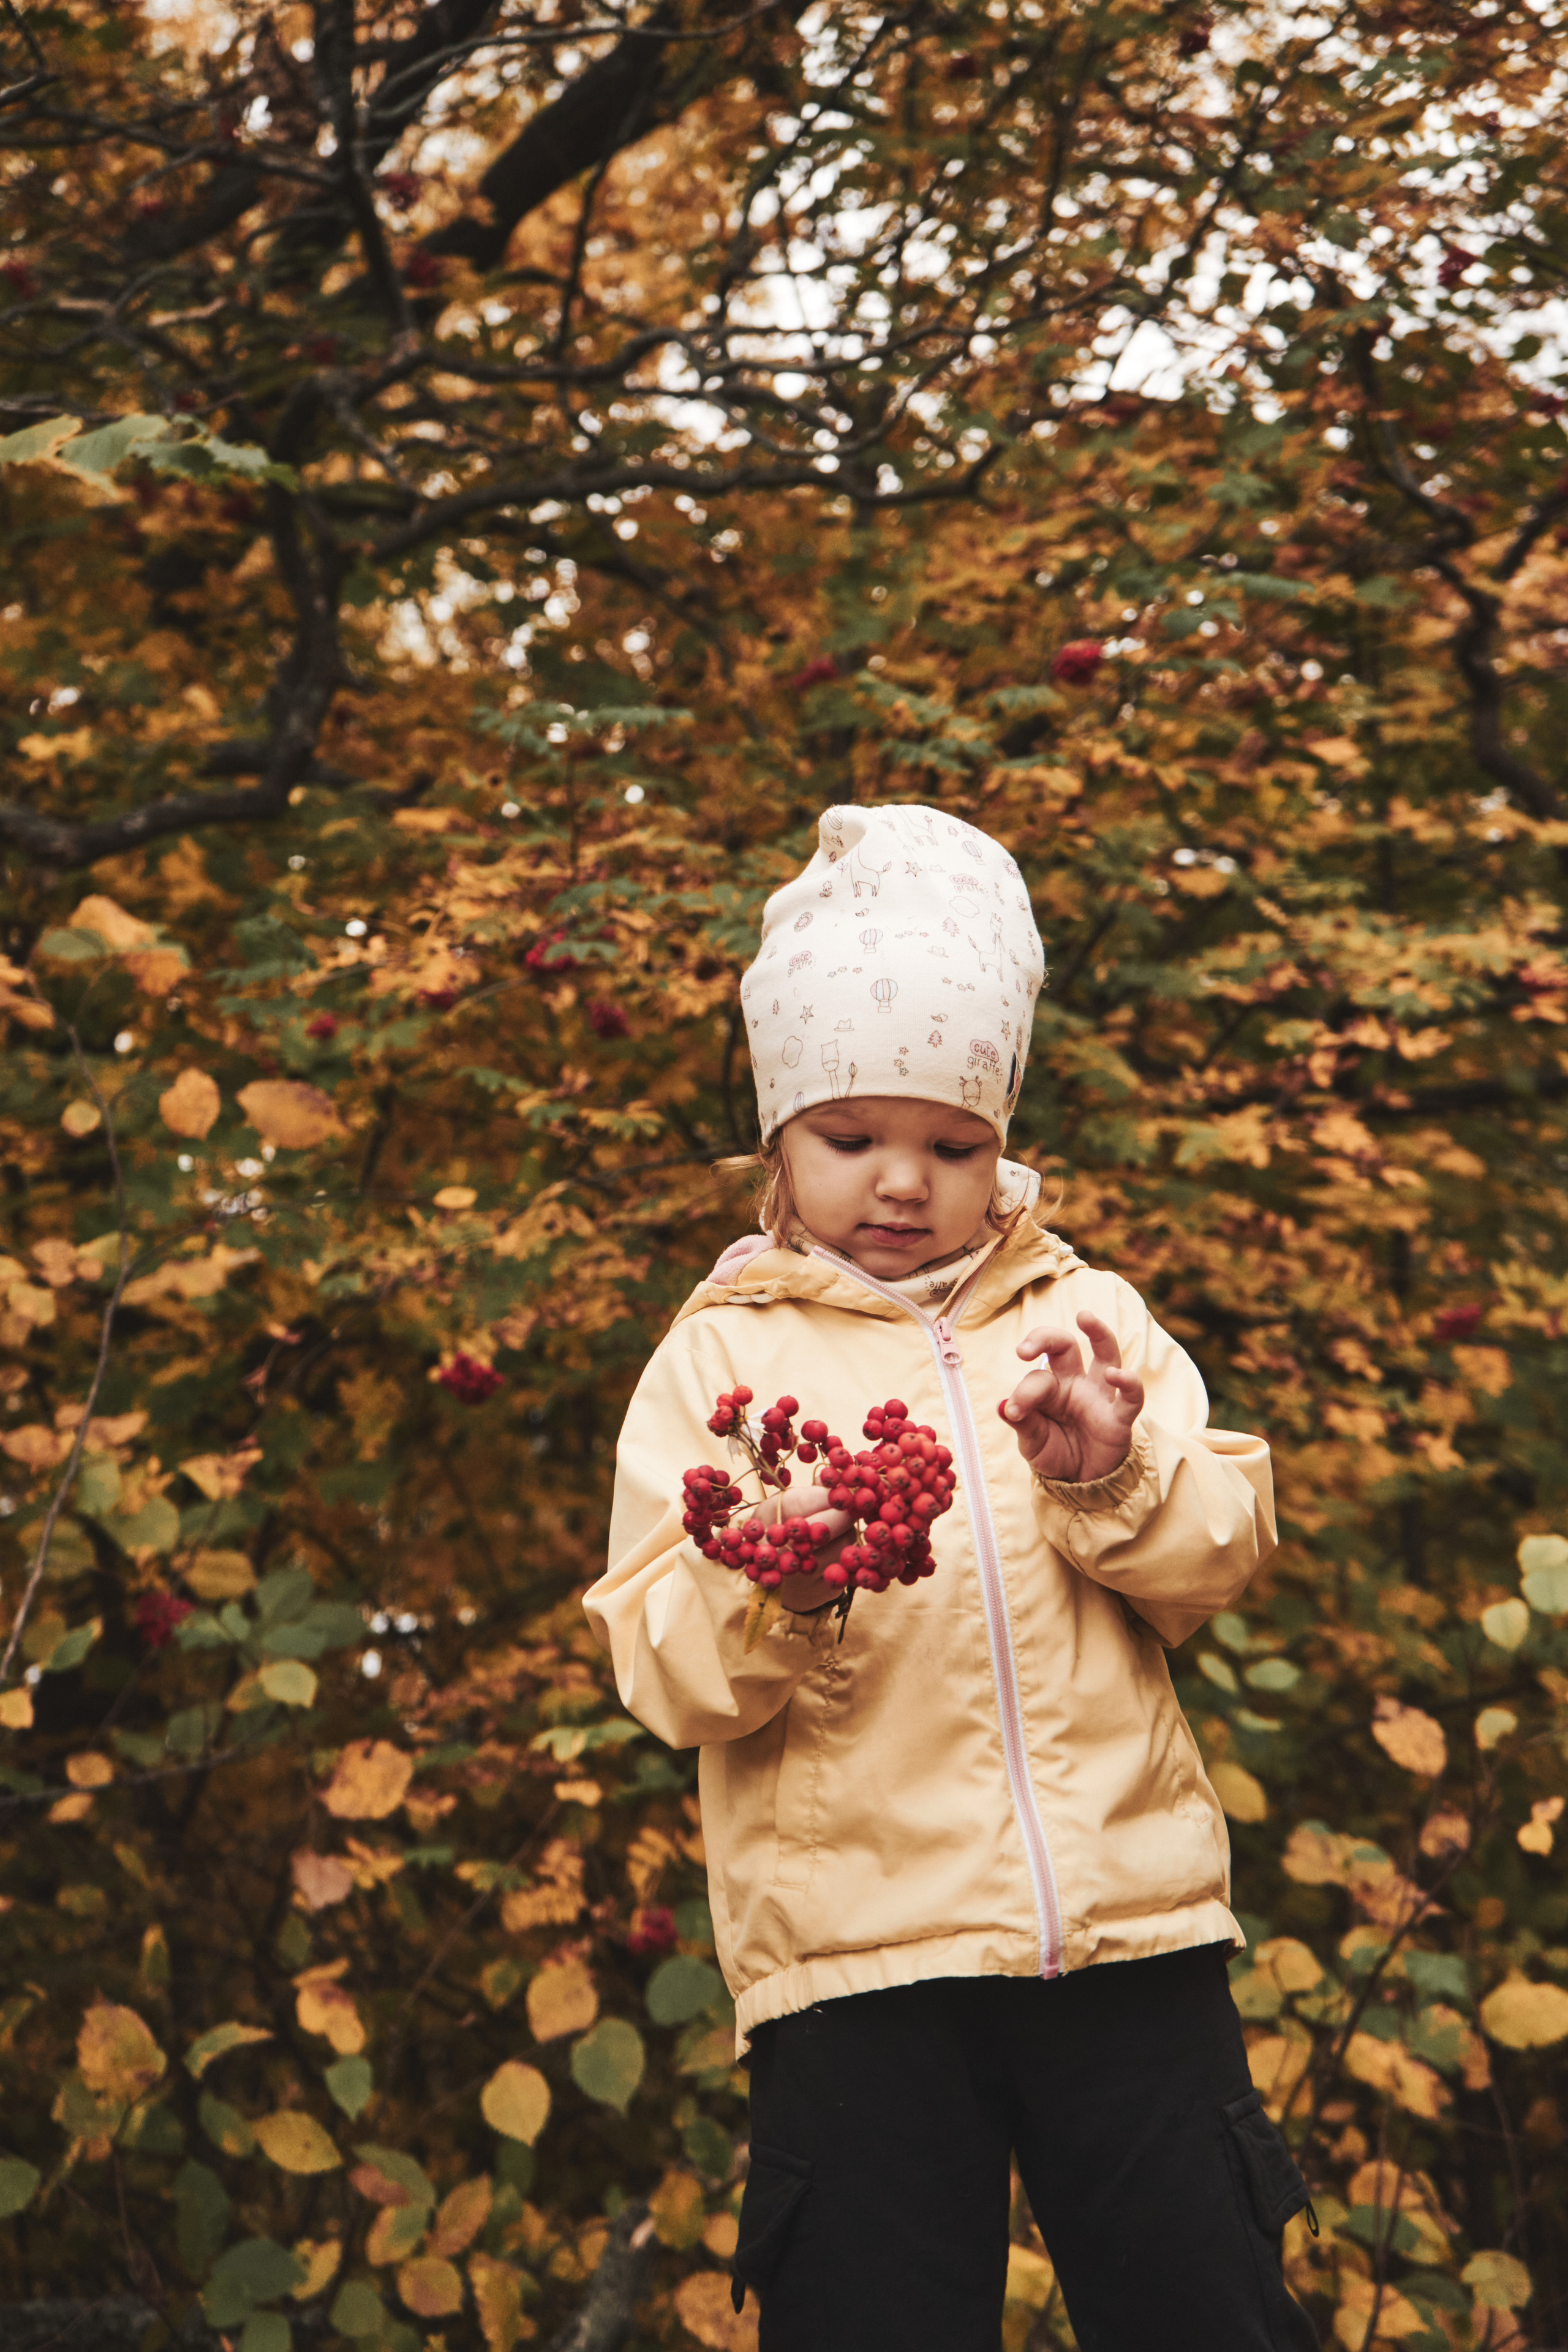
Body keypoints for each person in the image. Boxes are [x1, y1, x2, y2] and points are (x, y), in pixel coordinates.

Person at [584, 804, 1316, 2352]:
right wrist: (779, 1579)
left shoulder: (1082, 1314)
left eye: (952, 1145)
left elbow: (1219, 1560)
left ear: (1002, 1146)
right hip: (854, 1967)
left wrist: (1102, 1472)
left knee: (1206, 2312)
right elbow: (660, 1667)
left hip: (1127, 1941)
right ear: (778, 1134)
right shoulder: (721, 1358)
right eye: (854, 1140)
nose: (904, 1183)